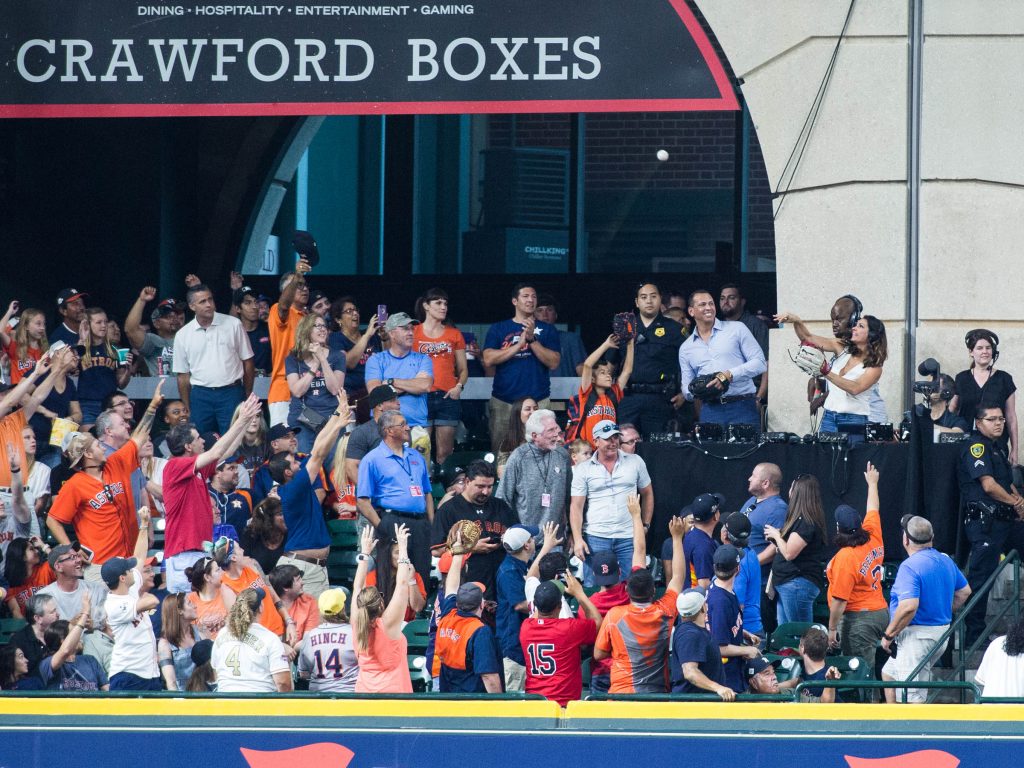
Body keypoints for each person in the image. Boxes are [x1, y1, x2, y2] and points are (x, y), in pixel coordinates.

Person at [46, 383, 163, 580]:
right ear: (89, 454)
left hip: (129, 559)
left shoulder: (115, 463)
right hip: (100, 567)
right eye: (96, 445)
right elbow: (52, 520)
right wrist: (72, 551)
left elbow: (139, 437)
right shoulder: (75, 485)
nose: (101, 446)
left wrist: (153, 406)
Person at [161, 394, 262, 593]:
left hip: (197, 553)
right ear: (189, 446)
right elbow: (216, 452)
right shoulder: (174, 466)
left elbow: (224, 453)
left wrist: (244, 423)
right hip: (184, 555)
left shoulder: (196, 470)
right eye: (198, 438)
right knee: (186, 615)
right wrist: (240, 419)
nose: (203, 441)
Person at [880, 515, 970, 703]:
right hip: (939, 634)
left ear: (906, 539)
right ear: (932, 537)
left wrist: (889, 635)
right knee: (889, 674)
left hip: (917, 637)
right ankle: (892, 724)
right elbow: (964, 592)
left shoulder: (909, 566)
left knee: (911, 697)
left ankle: (909, 730)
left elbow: (908, 607)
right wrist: (943, 609)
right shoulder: (945, 560)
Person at [593, 515, 686, 693]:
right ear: (653, 591)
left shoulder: (615, 615)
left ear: (627, 591)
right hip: (656, 696)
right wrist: (676, 538)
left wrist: (636, 515)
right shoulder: (665, 610)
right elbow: (678, 577)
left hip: (621, 696)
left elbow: (598, 654)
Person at [957, 404, 1024, 646]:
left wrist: (1017, 500)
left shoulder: (997, 447)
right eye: (992, 419)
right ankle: (974, 636)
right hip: (984, 522)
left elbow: (1005, 483)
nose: (998, 423)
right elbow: (989, 486)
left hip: (1004, 520)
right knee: (980, 580)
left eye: (1001, 419)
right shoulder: (976, 447)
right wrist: (1015, 502)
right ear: (978, 422)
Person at [271, 407, 352, 598]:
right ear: (288, 473)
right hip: (303, 567)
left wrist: (337, 414)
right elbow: (318, 454)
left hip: (309, 566)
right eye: (294, 462)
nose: (299, 463)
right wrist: (338, 424)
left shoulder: (293, 486)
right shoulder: (293, 488)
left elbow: (317, 448)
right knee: (312, 625)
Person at [775, 306, 888, 443]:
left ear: (871, 335)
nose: (854, 328)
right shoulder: (841, 347)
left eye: (860, 326)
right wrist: (796, 320)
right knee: (825, 459)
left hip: (853, 419)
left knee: (850, 460)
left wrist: (826, 372)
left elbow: (855, 388)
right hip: (829, 416)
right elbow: (808, 337)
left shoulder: (874, 367)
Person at [355, 409, 434, 586]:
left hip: (420, 523)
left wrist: (431, 523)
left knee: (421, 574)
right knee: (391, 575)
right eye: (403, 424)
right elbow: (362, 500)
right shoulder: (372, 459)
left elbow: (427, 493)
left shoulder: (416, 456)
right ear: (389, 430)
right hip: (392, 520)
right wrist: (382, 526)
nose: (408, 427)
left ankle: (419, 612)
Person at [570, 420, 653, 586]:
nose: (613, 442)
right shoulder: (583, 469)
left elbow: (648, 493)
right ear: (596, 441)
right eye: (608, 438)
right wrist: (578, 538)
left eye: (616, 437)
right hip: (596, 536)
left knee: (633, 587)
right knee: (594, 587)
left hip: (629, 535)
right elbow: (576, 506)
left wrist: (645, 525)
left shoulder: (635, 461)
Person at [483, 283, 561, 453]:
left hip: (538, 400)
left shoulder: (547, 329)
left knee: (543, 450)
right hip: (504, 400)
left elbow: (554, 362)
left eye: (533, 296)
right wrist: (518, 345)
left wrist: (532, 340)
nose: (530, 300)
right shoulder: (499, 328)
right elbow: (488, 359)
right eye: (525, 296)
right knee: (502, 452)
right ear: (514, 301)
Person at [826, 462, 888, 672]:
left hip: (860, 619)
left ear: (838, 528)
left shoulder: (846, 558)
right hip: (880, 611)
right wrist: (872, 483)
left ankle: (868, 704)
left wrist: (832, 628)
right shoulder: (872, 534)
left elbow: (839, 601)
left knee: (860, 672)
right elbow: (873, 508)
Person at [173, 283, 255, 434]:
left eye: (210, 299)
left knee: (234, 441)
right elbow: (182, 376)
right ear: (192, 306)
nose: (209, 304)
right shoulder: (183, 334)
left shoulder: (233, 324)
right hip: (200, 395)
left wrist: (248, 394)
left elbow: (248, 361)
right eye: (202, 302)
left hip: (231, 392)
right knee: (200, 442)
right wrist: (187, 406)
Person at [679, 289, 766, 427]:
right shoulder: (686, 348)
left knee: (747, 449)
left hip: (742, 406)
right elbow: (686, 388)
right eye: (702, 304)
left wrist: (729, 375)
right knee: (711, 449)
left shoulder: (737, 329)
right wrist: (698, 389)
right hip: (710, 409)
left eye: (711, 303)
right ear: (691, 311)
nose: (708, 308)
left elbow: (760, 363)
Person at [431, 460, 516, 598]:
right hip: (468, 586)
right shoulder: (448, 510)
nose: (486, 491)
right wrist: (471, 548)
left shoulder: (500, 506)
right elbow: (436, 550)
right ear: (467, 481)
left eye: (489, 486)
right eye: (480, 486)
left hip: (501, 583)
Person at [614, 283, 686, 438]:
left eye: (653, 296)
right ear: (636, 302)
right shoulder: (624, 328)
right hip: (628, 398)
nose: (649, 301)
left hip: (660, 399)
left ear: (660, 300)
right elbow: (610, 364)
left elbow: (689, 363)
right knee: (623, 445)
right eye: (644, 297)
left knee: (657, 449)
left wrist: (684, 393)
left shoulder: (674, 329)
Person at [520, 572, 602, 706]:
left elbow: (539, 612)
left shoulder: (526, 627)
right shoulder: (568, 628)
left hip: (534, 703)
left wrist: (543, 597)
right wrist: (579, 594)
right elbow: (597, 622)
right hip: (562, 704)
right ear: (559, 606)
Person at [102, 507, 161, 691]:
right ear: (122, 577)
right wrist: (147, 595)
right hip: (128, 674)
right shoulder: (114, 604)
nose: (132, 570)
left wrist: (144, 525)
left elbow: (139, 557)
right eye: (128, 570)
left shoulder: (130, 586)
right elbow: (152, 601)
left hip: (148, 673)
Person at [352, 524, 414, 693]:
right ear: (380, 604)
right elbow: (402, 585)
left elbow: (357, 587)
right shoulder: (387, 625)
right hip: (394, 695)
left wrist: (365, 553)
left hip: (363, 694)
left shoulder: (357, 623)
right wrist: (403, 548)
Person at [435, 539, 503, 693]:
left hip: (448, 697)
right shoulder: (479, 631)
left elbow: (451, 586)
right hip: (472, 702)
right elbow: (489, 677)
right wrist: (500, 706)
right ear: (481, 605)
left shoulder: (448, 616)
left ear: (457, 604)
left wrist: (458, 551)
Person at [494, 409, 571, 542]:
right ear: (535, 436)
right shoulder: (518, 457)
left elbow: (570, 498)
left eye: (556, 430)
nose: (557, 436)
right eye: (551, 431)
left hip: (556, 541)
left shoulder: (562, 456)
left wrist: (571, 534)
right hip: (525, 542)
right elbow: (502, 499)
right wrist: (513, 535)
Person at [414, 287, 468, 467]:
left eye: (445, 303)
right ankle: (421, 492)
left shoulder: (454, 334)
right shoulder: (413, 332)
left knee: (445, 452)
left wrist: (458, 387)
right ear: (426, 306)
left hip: (447, 396)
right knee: (421, 448)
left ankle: (446, 492)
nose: (443, 306)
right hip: (421, 396)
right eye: (438, 302)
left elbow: (463, 369)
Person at [37, 542, 112, 671]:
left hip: (95, 653)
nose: (78, 560)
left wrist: (94, 625)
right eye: (72, 558)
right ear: (58, 566)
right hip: (61, 658)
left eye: (78, 556)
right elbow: (42, 635)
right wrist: (71, 625)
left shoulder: (97, 590)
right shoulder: (43, 597)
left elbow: (108, 626)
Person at [766, 474, 829, 625]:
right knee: (786, 635)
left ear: (797, 492)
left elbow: (789, 553)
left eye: (792, 487)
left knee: (799, 633)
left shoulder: (806, 522)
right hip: (788, 584)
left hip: (796, 584)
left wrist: (776, 535)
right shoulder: (800, 519)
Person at [213, 537, 295, 648]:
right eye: (239, 548)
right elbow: (240, 625)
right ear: (233, 557)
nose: (243, 550)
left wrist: (288, 622)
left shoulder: (252, 565)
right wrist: (273, 644)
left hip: (279, 631)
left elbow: (273, 595)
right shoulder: (227, 588)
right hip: (261, 643)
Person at [952, 329, 1017, 461]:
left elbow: (1011, 417)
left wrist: (1015, 449)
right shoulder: (961, 378)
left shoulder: (1004, 379)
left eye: (988, 348)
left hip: (996, 445)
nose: (984, 351)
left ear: (993, 351)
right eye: (979, 348)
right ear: (971, 352)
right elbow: (952, 410)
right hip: (966, 444)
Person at [212, 587, 293, 692]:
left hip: (225, 703)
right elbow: (282, 683)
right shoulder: (270, 638)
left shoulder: (222, 633)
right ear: (261, 607)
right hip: (259, 704)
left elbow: (215, 670)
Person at [286, 312, 345, 453]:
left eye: (324, 326)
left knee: (333, 467)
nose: (322, 329)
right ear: (306, 329)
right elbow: (297, 391)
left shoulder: (337, 356)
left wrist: (322, 359)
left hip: (331, 419)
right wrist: (314, 365)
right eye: (317, 326)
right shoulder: (293, 358)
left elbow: (335, 390)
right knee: (306, 465)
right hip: (303, 419)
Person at [707, 544, 762, 693]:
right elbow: (720, 647)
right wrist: (747, 650)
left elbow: (723, 626)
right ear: (737, 570)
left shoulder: (723, 590)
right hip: (726, 679)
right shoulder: (720, 601)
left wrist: (744, 633)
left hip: (732, 672)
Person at [741, 462, 787, 636]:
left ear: (765, 483)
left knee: (758, 630)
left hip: (759, 581)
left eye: (753, 475)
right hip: (742, 574)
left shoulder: (777, 509)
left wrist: (750, 564)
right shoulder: (752, 501)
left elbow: (775, 547)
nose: (749, 478)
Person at [495, 524, 539, 690]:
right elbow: (520, 605)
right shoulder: (509, 570)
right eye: (532, 539)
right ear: (527, 545)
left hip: (521, 641)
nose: (534, 541)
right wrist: (547, 607)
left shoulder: (523, 564)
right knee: (515, 701)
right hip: (512, 644)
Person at [268, 261, 312, 427]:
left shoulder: (309, 318)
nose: (304, 289)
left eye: (305, 285)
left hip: (309, 392)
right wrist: (297, 276)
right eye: (298, 285)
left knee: (307, 446)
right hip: (284, 391)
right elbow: (284, 305)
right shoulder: (277, 310)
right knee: (284, 445)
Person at [670, 587, 733, 700]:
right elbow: (690, 672)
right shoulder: (690, 634)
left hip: (699, 704)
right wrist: (718, 688)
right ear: (703, 607)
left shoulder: (693, 630)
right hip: (692, 707)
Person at [571, 335, 634, 446]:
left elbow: (627, 371)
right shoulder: (587, 393)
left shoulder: (614, 393)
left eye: (609, 373)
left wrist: (630, 343)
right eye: (602, 373)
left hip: (609, 449)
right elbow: (587, 365)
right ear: (592, 379)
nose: (608, 376)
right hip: (589, 450)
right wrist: (606, 345)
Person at [76, 307, 132, 428]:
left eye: (105, 322)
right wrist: (82, 340)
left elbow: (121, 384)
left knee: (111, 438)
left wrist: (128, 369)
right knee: (89, 440)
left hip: (109, 405)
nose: (103, 325)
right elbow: (70, 370)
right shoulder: (80, 348)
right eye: (98, 322)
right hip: (87, 403)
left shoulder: (115, 350)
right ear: (88, 325)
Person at [328, 296, 381, 421]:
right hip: (351, 397)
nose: (355, 313)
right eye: (349, 311)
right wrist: (367, 335)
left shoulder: (372, 336)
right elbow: (348, 363)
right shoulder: (335, 338)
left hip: (373, 394)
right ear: (338, 319)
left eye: (356, 310)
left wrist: (384, 338)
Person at [28, 345, 81, 469]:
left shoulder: (70, 384)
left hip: (54, 443)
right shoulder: (41, 372)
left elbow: (78, 414)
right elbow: (20, 396)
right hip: (31, 438)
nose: (77, 357)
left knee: (51, 479)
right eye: (71, 352)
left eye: (77, 355)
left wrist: (70, 419)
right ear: (57, 354)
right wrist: (45, 412)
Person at [297, 587, 359, 693]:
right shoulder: (354, 633)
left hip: (318, 698)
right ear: (343, 608)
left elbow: (303, 674)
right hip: (349, 696)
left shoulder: (310, 636)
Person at [344, 384, 400, 489]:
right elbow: (351, 468)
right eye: (392, 400)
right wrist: (369, 493)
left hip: (400, 491)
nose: (398, 403)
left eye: (397, 399)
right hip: (375, 494)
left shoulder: (403, 430)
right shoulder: (362, 432)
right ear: (379, 406)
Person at [722, 512, 763, 641]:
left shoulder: (738, 561)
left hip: (744, 633)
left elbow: (738, 605)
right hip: (752, 629)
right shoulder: (751, 554)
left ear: (725, 535)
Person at [124, 287, 184, 377]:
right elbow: (131, 330)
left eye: (176, 315)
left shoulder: (189, 338)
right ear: (157, 323)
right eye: (168, 316)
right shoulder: (153, 342)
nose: (174, 318)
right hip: (164, 389)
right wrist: (142, 300)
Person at [39, 616, 109, 691]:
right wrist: (84, 616)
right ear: (63, 641)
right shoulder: (47, 664)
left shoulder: (90, 660)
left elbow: (106, 690)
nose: (79, 637)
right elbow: (65, 651)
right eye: (74, 634)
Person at [673, 492, 722, 588]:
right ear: (715, 516)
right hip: (696, 600)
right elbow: (704, 584)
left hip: (687, 596)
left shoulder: (691, 535)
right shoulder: (703, 546)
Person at [157, 592, 203, 691]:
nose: (195, 606)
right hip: (183, 696)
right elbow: (171, 682)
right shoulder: (165, 644)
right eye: (189, 603)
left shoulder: (200, 631)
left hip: (206, 693)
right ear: (180, 611)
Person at [10, 593, 59, 683]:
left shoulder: (59, 633)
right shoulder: (19, 640)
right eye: (52, 612)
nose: (58, 614)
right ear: (38, 618)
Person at [534, 293, 586, 378]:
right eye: (539, 310)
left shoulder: (571, 339)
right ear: (533, 316)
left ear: (556, 315)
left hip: (566, 390)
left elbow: (581, 370)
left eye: (549, 310)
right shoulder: (526, 341)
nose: (545, 315)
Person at [269, 563, 321, 644]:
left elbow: (309, 640)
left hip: (300, 652)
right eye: (298, 579)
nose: (303, 582)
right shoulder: (267, 605)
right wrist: (283, 648)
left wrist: (291, 649)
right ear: (286, 588)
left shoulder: (309, 602)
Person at [4, 536, 54, 618]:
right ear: (22, 556)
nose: (37, 551)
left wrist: (43, 546)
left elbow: (62, 562)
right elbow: (15, 611)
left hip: (52, 623)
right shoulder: (10, 582)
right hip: (28, 626)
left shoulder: (45, 569)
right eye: (32, 549)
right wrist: (30, 630)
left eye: (36, 548)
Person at [975, 616, 1024, 698]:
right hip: (1016, 710)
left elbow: (982, 680)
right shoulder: (996, 644)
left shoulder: (996, 643)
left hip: (989, 708)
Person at [185, 556, 231, 639]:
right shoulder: (190, 601)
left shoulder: (227, 591)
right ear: (207, 577)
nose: (223, 572)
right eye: (218, 570)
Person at [0, 303, 47, 384]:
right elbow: (0, 331)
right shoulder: (15, 348)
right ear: (26, 326)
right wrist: (10, 311)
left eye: (44, 324)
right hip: (18, 393)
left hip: (37, 394)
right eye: (38, 324)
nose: (42, 327)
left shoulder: (45, 351)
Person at [793, 625, 841, 703]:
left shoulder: (826, 678)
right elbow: (797, 681)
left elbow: (826, 706)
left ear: (802, 648)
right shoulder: (806, 670)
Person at [232, 286, 271, 376]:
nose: (254, 307)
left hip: (267, 382)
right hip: (238, 383)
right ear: (238, 309)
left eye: (256, 302)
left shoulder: (269, 329)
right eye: (247, 303)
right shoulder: (233, 333)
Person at [496, 396, 538, 478]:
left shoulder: (548, 436)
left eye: (535, 409)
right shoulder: (509, 440)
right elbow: (502, 473)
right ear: (518, 413)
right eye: (528, 409)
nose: (533, 412)